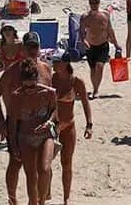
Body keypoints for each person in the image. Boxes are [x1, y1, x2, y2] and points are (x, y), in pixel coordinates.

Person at [2, 62, 58, 205]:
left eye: (32, 86)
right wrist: (13, 145)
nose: (29, 90)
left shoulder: (49, 93)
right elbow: (13, 123)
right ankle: (33, 202)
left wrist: (49, 122)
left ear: (37, 81)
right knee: (31, 175)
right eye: (26, 87)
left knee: (45, 169)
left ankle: (42, 201)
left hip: (45, 135)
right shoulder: (16, 97)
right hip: (25, 137)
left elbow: (54, 112)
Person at [51, 59, 93, 205]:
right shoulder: (51, 79)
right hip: (53, 127)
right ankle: (47, 192)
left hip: (69, 126)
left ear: (65, 63)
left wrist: (89, 125)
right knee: (45, 162)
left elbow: (85, 102)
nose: (54, 64)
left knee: (67, 163)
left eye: (57, 61)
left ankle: (66, 197)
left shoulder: (76, 81)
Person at [80, 0, 120, 97]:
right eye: (92, 3)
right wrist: (84, 41)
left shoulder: (105, 14)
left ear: (99, 3)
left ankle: (96, 90)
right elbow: (81, 32)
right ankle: (95, 87)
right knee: (93, 69)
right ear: (89, 4)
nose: (94, 5)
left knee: (100, 66)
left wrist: (116, 44)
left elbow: (110, 30)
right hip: (90, 46)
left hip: (103, 45)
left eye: (95, 3)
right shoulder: (85, 17)